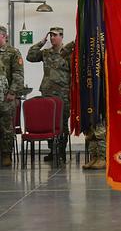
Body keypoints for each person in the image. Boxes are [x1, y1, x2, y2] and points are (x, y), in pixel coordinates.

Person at [27, 27, 75, 162]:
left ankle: (61, 151)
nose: (53, 38)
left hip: (63, 94)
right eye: (51, 35)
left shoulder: (68, 54)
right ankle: (52, 151)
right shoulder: (46, 53)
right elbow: (30, 56)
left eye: (55, 35)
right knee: (49, 123)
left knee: (62, 123)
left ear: (61, 37)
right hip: (47, 93)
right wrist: (41, 42)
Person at [0, 26, 24, 168]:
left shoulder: (13, 52)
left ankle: (6, 154)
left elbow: (18, 74)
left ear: (4, 36)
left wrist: (12, 92)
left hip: (6, 97)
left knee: (6, 127)